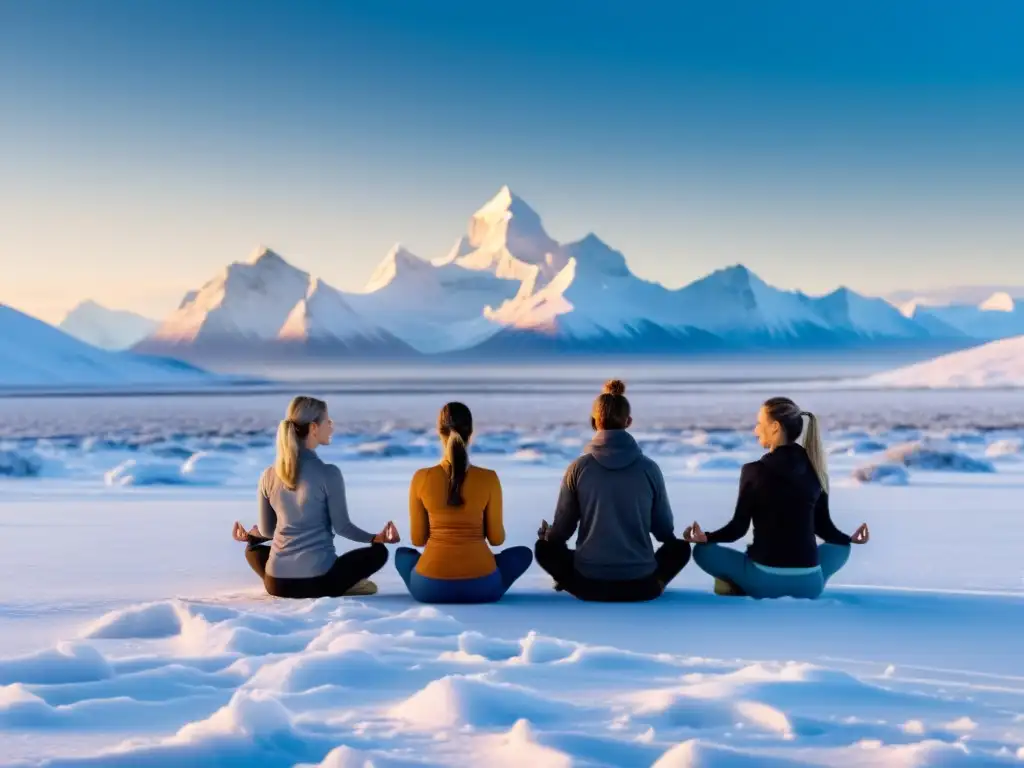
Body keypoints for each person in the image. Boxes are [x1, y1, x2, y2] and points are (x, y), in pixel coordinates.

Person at [683, 396, 870, 599]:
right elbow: (824, 527)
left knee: (703, 552)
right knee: (841, 547)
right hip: (810, 585)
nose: (755, 430)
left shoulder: (754, 470)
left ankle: (740, 584)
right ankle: (807, 581)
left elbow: (737, 528)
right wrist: (848, 539)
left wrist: (706, 538)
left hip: (764, 582)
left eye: (759, 424)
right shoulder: (817, 470)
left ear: (774, 427)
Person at [534, 379, 691, 602]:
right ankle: (655, 585)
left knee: (543, 550)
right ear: (628, 421)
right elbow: (664, 531)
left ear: (594, 421)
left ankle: (573, 583)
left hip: (588, 582)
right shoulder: (649, 468)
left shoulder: (578, 468)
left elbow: (562, 532)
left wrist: (548, 537)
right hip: (640, 582)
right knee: (680, 549)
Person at [232, 396, 399, 598]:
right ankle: (347, 584)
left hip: (276, 584)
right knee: (378, 552)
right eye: (328, 421)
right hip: (318, 583)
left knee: (253, 550)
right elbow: (342, 527)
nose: (331, 426)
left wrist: (251, 536)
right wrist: (375, 538)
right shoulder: (328, 473)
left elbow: (268, 531)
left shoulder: (268, 474)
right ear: (313, 428)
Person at [395, 402, 533, 604]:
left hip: (430, 588)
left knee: (402, 555)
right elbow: (496, 539)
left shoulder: (421, 477)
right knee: (523, 554)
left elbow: (418, 540)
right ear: (472, 433)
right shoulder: (488, 478)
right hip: (482, 586)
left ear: (438, 432)